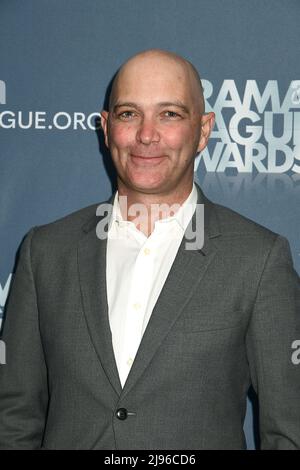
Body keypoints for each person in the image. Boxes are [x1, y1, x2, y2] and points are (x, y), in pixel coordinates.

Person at [0, 49, 299, 450]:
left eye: (170, 114)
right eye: (128, 114)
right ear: (106, 129)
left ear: (204, 130)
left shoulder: (259, 259)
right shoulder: (45, 252)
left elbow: (290, 430)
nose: (146, 134)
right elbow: (13, 420)